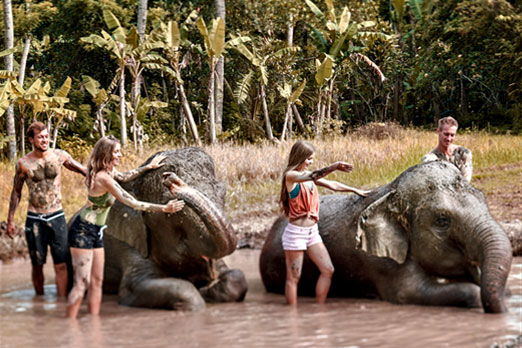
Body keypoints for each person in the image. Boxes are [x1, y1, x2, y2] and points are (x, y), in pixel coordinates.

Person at [66, 135, 185, 318]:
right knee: (82, 283)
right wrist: (164, 208)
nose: (120, 155)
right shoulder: (102, 178)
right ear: (107, 154)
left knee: (97, 281)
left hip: (97, 231)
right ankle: (68, 328)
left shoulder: (109, 172)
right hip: (82, 231)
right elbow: (131, 202)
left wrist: (148, 167)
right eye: (117, 151)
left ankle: (93, 325)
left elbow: (124, 176)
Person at [279, 140, 370, 305]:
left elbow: (332, 185)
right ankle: (291, 319)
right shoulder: (291, 176)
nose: (310, 163)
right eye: (308, 159)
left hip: (312, 232)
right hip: (296, 234)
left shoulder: (308, 178)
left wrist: (355, 190)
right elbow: (315, 175)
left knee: (328, 270)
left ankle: (319, 311)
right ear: (299, 157)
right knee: (294, 277)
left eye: (312, 159)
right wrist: (334, 166)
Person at [7, 121, 87, 297]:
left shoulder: (59, 156)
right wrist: (11, 219)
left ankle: (61, 302)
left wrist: (103, 176)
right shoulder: (23, 163)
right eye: (40, 137)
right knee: (37, 264)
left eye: (46, 136)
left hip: (56, 216)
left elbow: (83, 170)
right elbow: (16, 192)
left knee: (61, 264)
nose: (45, 140)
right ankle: (39, 301)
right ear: (31, 139)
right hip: (35, 219)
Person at [422, 116, 473, 182]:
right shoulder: (430, 159)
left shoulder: (464, 153)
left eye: (452, 135)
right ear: (438, 131)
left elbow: (466, 181)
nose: (448, 139)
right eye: (446, 134)